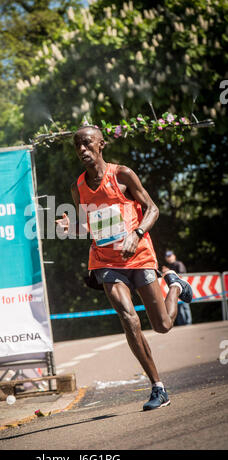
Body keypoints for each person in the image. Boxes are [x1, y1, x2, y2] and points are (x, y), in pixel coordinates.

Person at [56, 125, 193, 411]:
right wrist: (69, 227)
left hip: (139, 255)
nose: (82, 149)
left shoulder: (122, 175)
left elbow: (153, 209)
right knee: (128, 318)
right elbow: (87, 226)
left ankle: (175, 285)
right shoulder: (78, 186)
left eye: (87, 143)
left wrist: (137, 233)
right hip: (105, 261)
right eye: (77, 146)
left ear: (101, 145)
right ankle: (158, 387)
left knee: (163, 325)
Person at [162, 250, 192, 325]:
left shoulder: (179, 264)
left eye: (170, 256)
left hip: (182, 288)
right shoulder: (170, 266)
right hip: (175, 288)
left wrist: (169, 271)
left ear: (174, 256)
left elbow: (181, 274)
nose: (169, 258)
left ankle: (188, 323)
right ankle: (182, 324)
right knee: (178, 306)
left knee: (185, 305)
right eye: (167, 257)